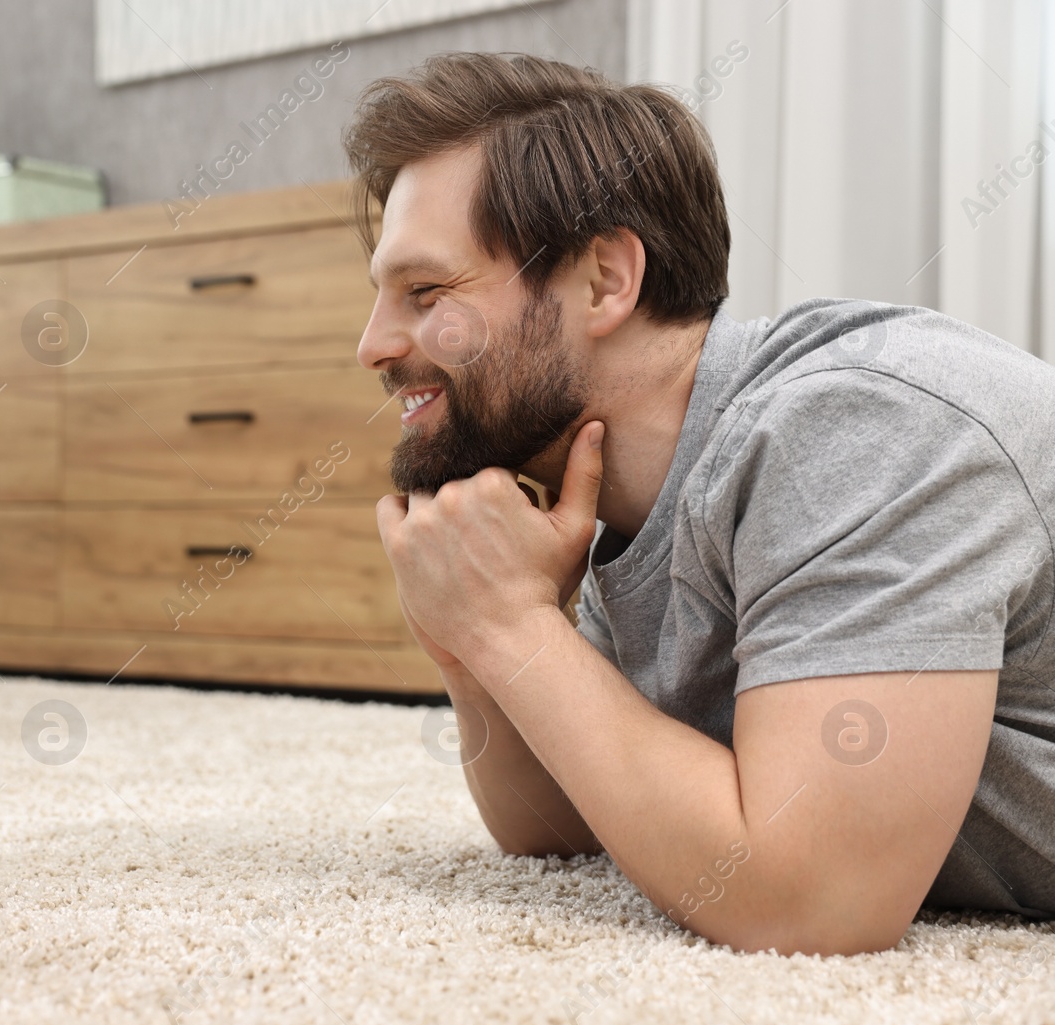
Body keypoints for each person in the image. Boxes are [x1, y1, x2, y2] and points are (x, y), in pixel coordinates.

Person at [347, 52, 1055, 955]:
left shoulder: (851, 427)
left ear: (605, 280)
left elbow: (814, 901)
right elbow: (558, 831)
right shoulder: (635, 496)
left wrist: (511, 627)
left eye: (425, 292)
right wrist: (471, 635)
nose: (372, 345)